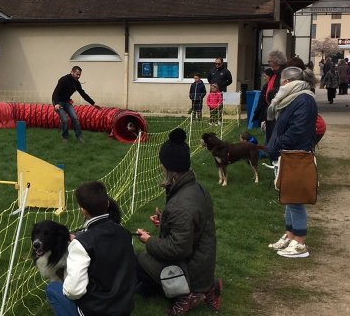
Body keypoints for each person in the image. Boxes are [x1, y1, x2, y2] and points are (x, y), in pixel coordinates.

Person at [136, 128, 220, 315]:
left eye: (162, 165)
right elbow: (191, 227)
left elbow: (177, 249)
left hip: (191, 269)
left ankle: (188, 294)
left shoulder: (182, 204)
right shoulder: (196, 188)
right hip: (201, 261)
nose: (161, 167)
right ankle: (198, 287)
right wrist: (164, 220)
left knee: (135, 260)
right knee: (144, 275)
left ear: (170, 169)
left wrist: (149, 240)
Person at [46, 181, 137, 316]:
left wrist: (67, 273)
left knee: (53, 289)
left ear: (83, 210)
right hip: (124, 307)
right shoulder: (125, 233)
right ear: (107, 204)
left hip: (97, 310)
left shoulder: (81, 244)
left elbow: (73, 291)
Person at [266, 67, 318, 258]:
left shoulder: (304, 100)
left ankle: (300, 242)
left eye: (281, 81)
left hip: (296, 155)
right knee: (287, 197)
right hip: (286, 154)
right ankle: (290, 235)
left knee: (295, 199)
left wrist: (278, 144)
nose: (280, 85)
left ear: (287, 82)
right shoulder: (294, 98)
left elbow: (297, 130)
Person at [52, 66, 101, 143]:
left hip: (67, 102)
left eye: (79, 75)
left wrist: (93, 103)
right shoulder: (63, 79)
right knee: (65, 120)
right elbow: (55, 93)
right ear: (72, 72)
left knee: (75, 118)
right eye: (77, 74)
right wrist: (56, 104)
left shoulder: (76, 83)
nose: (78, 76)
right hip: (59, 102)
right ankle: (65, 137)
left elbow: (83, 94)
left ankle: (79, 137)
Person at [264, 51, 288, 143]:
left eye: (270, 61)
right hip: (271, 105)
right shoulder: (274, 72)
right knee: (270, 129)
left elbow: (280, 89)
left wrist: (271, 94)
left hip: (277, 106)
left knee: (274, 129)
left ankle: (273, 150)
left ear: (276, 61)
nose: (268, 63)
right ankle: (269, 148)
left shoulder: (282, 73)